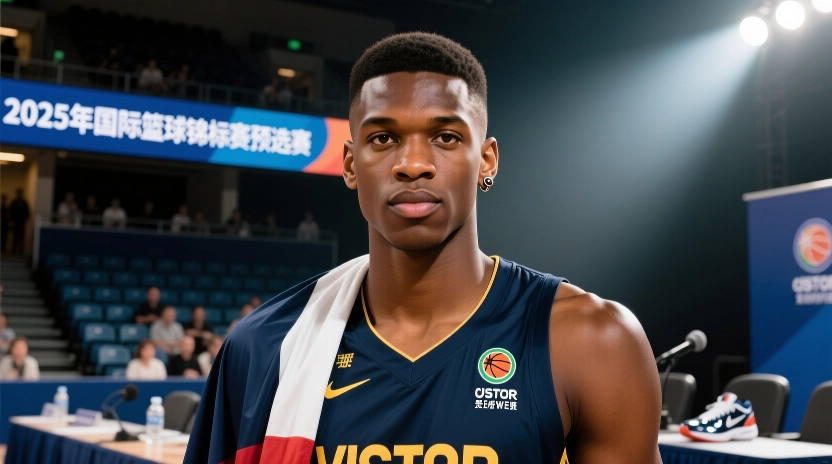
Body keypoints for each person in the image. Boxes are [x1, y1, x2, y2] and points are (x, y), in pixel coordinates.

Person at [185, 33, 661, 464]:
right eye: (383, 138)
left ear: (486, 160)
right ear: (350, 164)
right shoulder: (263, 348)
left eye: (445, 137)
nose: (413, 164)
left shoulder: (592, 340)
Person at [9, 189, 30, 255]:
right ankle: (14, 250)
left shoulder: (24, 203)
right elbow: (10, 212)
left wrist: (25, 220)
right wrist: (11, 221)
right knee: (15, 237)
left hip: (21, 223)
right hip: (15, 222)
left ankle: (21, 251)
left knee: (21, 237)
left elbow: (27, 213)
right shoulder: (14, 203)